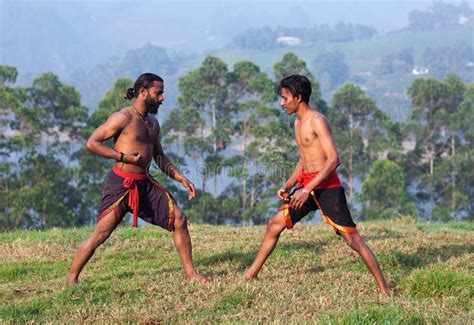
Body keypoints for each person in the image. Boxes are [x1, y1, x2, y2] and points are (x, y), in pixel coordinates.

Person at [243, 75, 390, 297]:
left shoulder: (317, 121)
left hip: (327, 187)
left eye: (285, 98)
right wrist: (289, 184)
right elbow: (304, 160)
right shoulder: (297, 123)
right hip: (306, 187)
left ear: (298, 97)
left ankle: (384, 289)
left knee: (352, 239)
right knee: (274, 225)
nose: (282, 103)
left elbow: (333, 160)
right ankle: (251, 274)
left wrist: (306, 189)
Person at [66, 73, 208, 284]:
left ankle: (191, 274)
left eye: (162, 93)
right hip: (121, 184)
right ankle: (71, 279)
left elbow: (159, 156)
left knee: (179, 219)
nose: (162, 98)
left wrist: (180, 178)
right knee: (101, 234)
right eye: (158, 93)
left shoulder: (153, 123)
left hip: (145, 183)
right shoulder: (123, 117)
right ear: (143, 92)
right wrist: (122, 156)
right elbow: (92, 142)